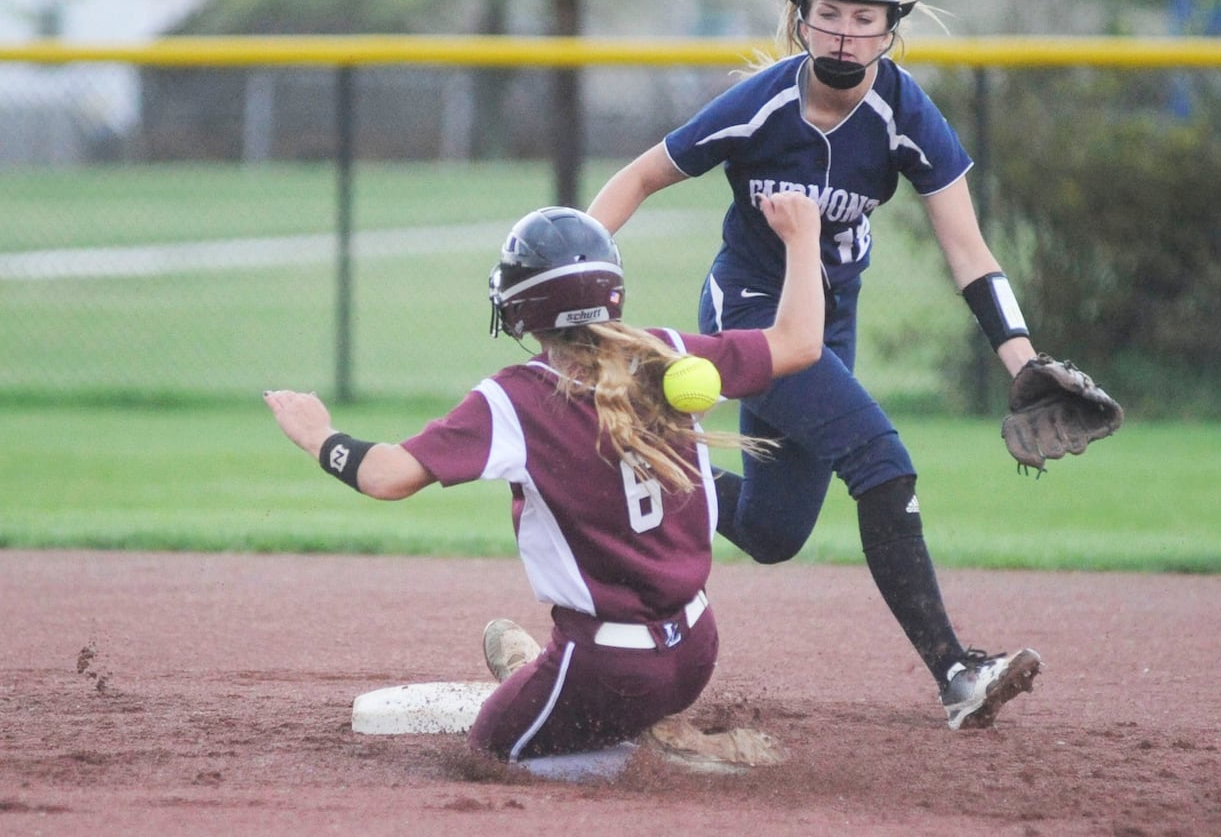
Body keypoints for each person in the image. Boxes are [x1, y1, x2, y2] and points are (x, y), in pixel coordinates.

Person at [587, 0, 1046, 730]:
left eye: (863, 20)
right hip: (754, 311)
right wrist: (576, 280)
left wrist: (1025, 363)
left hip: (829, 320)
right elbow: (639, 176)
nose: (843, 35)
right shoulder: (761, 103)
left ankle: (635, 458)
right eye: (827, 15)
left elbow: (969, 251)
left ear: (890, 32)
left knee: (772, 530)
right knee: (881, 462)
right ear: (801, 21)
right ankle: (957, 671)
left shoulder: (904, 113)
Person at [265, 194, 824, 763]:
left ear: (524, 305)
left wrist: (319, 437)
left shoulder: (516, 399)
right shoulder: (671, 355)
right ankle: (567, 689)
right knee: (572, 689)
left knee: (490, 748)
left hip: (610, 670)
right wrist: (802, 239)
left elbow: (385, 477)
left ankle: (666, 755)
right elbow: (801, 341)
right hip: (697, 649)